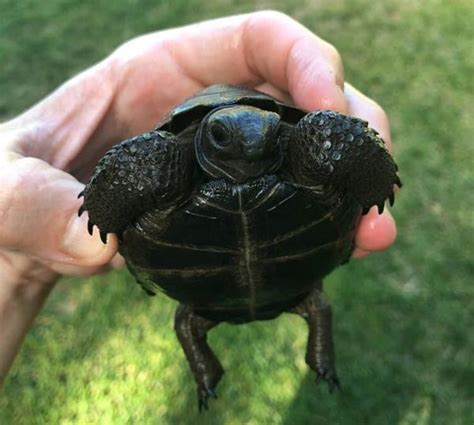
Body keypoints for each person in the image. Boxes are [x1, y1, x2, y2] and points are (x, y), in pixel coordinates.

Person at [0, 11, 397, 383]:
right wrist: (82, 220)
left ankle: (317, 356)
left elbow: (336, 141)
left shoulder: (300, 146)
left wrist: (372, 172)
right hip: (276, 272)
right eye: (226, 139)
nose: (251, 149)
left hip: (277, 279)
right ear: (207, 136)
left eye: (268, 136)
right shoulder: (166, 159)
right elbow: (131, 173)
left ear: (275, 130)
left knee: (325, 133)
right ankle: (208, 373)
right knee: (199, 313)